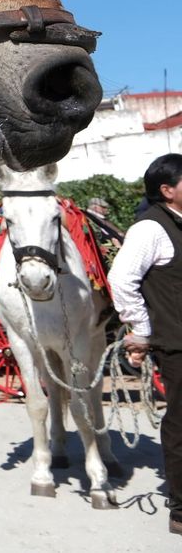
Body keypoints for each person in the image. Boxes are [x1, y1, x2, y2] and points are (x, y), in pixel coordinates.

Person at [110, 153, 182, 537]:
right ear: (167, 191)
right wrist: (141, 329)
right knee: (181, 423)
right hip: (176, 341)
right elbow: (121, 279)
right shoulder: (150, 229)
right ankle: (181, 509)